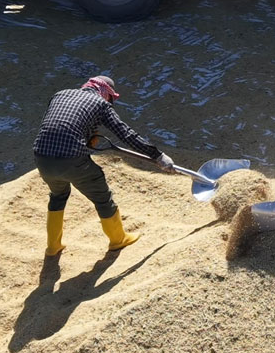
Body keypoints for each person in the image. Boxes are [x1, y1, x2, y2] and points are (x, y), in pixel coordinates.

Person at [33, 75, 174, 256]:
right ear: (106, 94)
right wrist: (157, 155)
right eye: (111, 99)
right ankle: (118, 239)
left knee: (58, 195)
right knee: (102, 197)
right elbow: (126, 134)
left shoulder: (60, 94)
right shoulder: (101, 104)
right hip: (71, 159)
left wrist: (85, 136)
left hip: (41, 156)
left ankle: (53, 246)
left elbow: (57, 125)